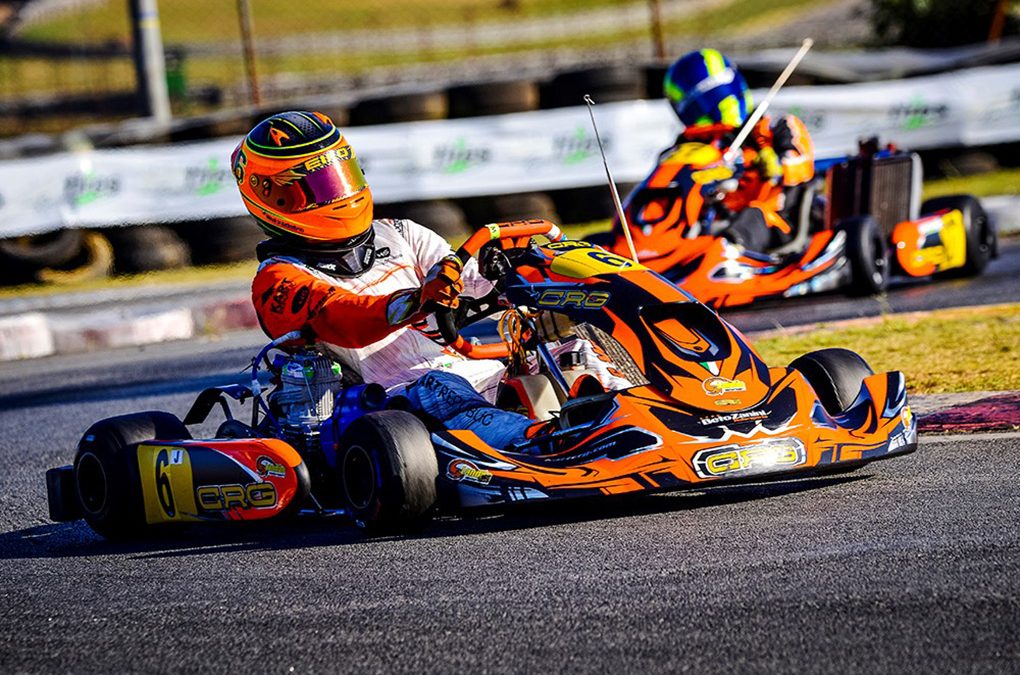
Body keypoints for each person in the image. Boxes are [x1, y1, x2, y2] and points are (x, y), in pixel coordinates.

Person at [232, 111, 627, 449]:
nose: (341, 194)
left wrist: (519, 275)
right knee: (441, 385)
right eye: (321, 186)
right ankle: (537, 446)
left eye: (343, 176)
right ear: (273, 196)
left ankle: (632, 425)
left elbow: (472, 280)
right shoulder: (279, 279)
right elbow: (345, 319)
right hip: (388, 405)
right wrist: (418, 299)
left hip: (475, 376)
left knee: (573, 351)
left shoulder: (400, 233)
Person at [662, 48, 815, 252]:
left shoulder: (776, 128)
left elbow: (802, 164)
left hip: (772, 220)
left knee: (752, 217)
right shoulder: (692, 148)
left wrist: (775, 165)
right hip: (713, 226)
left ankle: (726, 255)